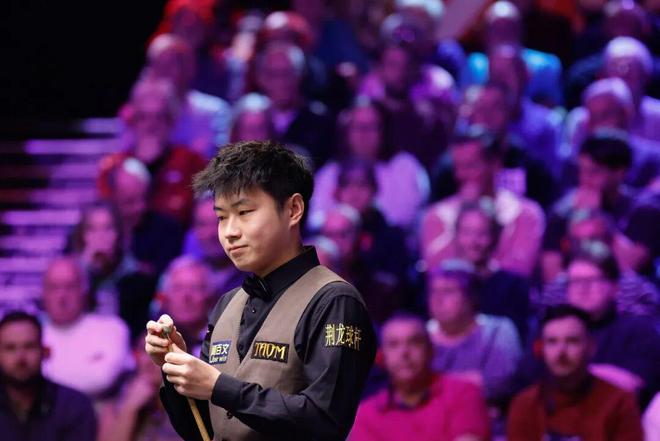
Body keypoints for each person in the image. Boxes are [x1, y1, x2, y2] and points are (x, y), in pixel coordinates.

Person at [145, 140, 376, 440]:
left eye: (244, 212)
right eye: (221, 217)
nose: (229, 232)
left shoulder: (334, 301)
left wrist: (218, 386)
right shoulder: (227, 304)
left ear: (293, 209)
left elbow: (324, 420)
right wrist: (175, 367)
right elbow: (203, 430)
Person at [421, 128, 545, 277]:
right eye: (458, 167)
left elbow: (519, 269)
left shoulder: (525, 214)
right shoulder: (437, 215)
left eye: (470, 166)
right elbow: (435, 268)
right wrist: (464, 211)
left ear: (495, 165)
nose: (461, 175)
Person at [507, 304, 644, 441]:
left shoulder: (619, 402)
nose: (561, 352)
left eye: (572, 341)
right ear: (541, 349)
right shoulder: (525, 404)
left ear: (591, 347)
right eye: (552, 342)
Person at [350, 313, 490, 441]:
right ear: (382, 357)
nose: (404, 352)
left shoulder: (463, 393)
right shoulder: (366, 415)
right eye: (394, 345)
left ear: (431, 350)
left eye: (414, 342)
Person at [98, 77, 206, 226]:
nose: (151, 125)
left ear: (172, 121)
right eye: (143, 117)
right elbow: (108, 220)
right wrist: (143, 164)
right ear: (132, 122)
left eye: (159, 117)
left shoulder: (192, 163)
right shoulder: (112, 167)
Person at [310, 98, 430, 230]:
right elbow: (316, 219)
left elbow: (408, 216)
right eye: (358, 127)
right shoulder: (330, 173)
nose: (364, 134)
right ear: (346, 131)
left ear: (384, 130)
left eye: (372, 127)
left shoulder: (405, 167)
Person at [426, 261, 522, 407]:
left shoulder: (498, 331)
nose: (437, 300)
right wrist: (471, 381)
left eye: (448, 291)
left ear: (470, 297)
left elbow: (501, 384)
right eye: (433, 291)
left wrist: (437, 383)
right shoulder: (420, 336)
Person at [41, 257, 132, 399]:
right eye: (54, 288)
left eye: (69, 287)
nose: (62, 296)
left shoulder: (112, 329)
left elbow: (103, 379)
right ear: (43, 294)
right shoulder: (31, 336)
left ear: (84, 291)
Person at [0, 311, 97, 441]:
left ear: (45, 352)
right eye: (10, 348)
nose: (20, 358)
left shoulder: (73, 405)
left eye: (29, 347)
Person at [67, 201, 157, 339]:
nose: (100, 236)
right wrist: (85, 269)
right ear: (82, 236)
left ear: (118, 234)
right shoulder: (71, 277)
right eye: (92, 229)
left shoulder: (139, 278)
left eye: (107, 229)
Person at [144, 33, 231, 158]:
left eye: (170, 64)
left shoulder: (214, 110)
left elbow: (223, 160)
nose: (163, 71)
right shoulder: (137, 112)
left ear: (188, 68)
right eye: (158, 64)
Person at [97, 333, 179, 441]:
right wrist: (130, 408)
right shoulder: (114, 406)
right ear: (136, 355)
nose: (150, 360)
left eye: (161, 351)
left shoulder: (189, 406)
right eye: (145, 350)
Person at [182, 195, 244, 296]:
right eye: (203, 224)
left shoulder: (255, 277)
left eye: (219, 222)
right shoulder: (180, 275)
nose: (211, 233)